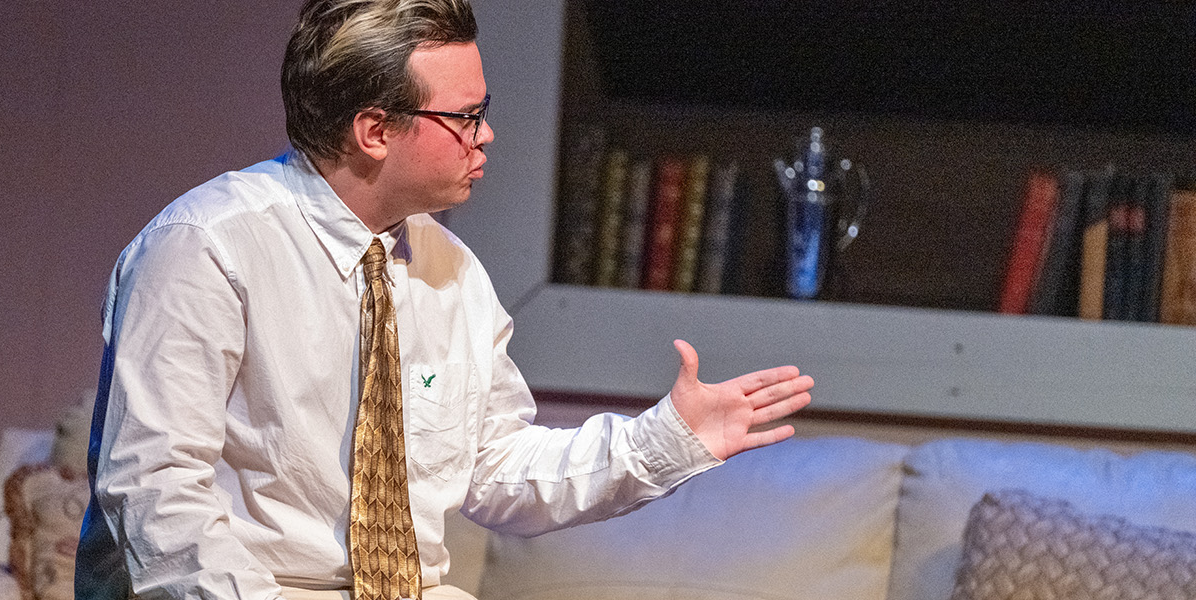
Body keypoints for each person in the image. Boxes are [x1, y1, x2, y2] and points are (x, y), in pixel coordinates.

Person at [75, 1, 814, 599]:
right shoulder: (208, 247)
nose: (486, 134)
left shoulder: (450, 271)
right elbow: (154, 493)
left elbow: (493, 468)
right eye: (464, 116)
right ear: (373, 130)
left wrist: (669, 438)